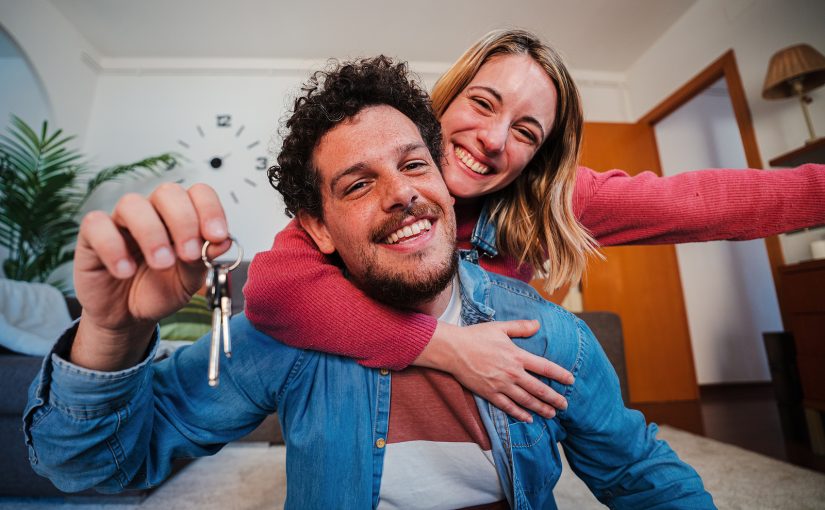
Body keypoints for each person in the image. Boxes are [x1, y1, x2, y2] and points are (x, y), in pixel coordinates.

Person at [25, 56, 714, 509]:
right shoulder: (281, 341)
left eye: (414, 166)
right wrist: (112, 331)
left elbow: (638, 474)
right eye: (358, 183)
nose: (401, 195)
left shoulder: (548, 336)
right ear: (318, 229)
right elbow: (93, 467)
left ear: (444, 180)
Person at [244, 29, 825, 422]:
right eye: (483, 103)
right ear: (443, 101)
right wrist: (444, 347)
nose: (494, 140)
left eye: (526, 132)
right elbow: (271, 289)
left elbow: (694, 202)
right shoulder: (372, 175)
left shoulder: (548, 200)